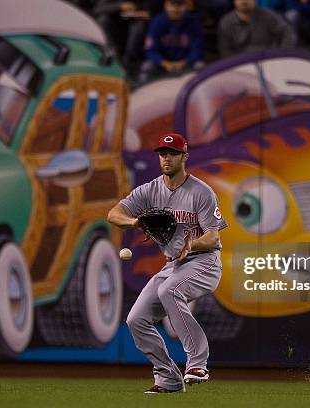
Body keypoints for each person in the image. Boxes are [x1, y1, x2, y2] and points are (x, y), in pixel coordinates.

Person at [107, 132, 227, 394]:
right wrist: (134, 222)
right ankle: (169, 379)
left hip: (204, 262)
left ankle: (197, 364)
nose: (166, 159)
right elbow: (113, 213)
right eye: (163, 154)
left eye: (172, 154)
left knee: (169, 290)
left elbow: (213, 236)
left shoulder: (201, 192)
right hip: (173, 267)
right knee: (136, 319)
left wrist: (191, 244)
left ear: (184, 156)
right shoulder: (149, 190)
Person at [139, 0, 204, 84]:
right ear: (165, 5)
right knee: (146, 67)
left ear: (187, 6)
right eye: (172, 5)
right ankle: (145, 94)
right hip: (163, 64)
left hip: (186, 63)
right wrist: (164, 63)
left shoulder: (194, 22)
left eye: (180, 5)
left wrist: (184, 62)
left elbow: (198, 50)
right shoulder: (157, 22)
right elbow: (150, 50)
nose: (176, 9)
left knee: (200, 66)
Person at [93, 1, 163, 77]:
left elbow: (155, 14)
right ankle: (113, 58)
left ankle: (130, 65)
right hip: (118, 23)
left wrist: (135, 14)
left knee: (138, 27)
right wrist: (120, 6)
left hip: (140, 23)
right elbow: (98, 9)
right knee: (104, 20)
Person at [217, 0, 296, 59]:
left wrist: (281, 54)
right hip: (241, 65)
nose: (244, 1)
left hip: (269, 61)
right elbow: (225, 51)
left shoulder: (268, 15)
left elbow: (288, 33)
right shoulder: (226, 22)